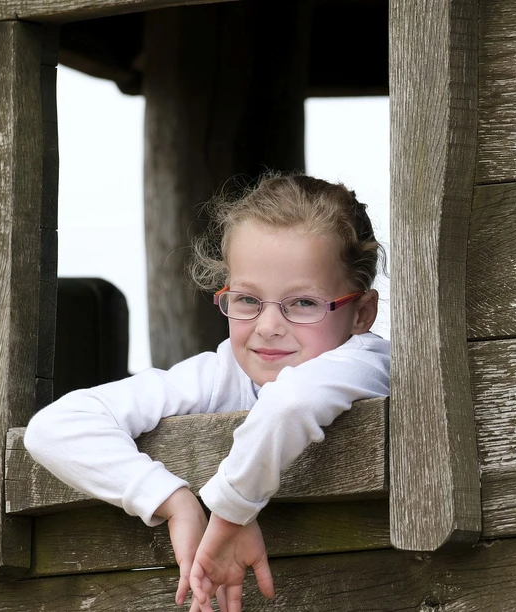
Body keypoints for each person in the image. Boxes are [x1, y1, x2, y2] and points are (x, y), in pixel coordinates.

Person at [24, 174, 390, 612]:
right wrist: (174, 500)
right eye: (247, 300)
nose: (269, 326)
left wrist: (231, 510)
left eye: (304, 303)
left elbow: (291, 404)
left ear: (361, 313)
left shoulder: (367, 364)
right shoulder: (220, 372)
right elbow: (53, 428)